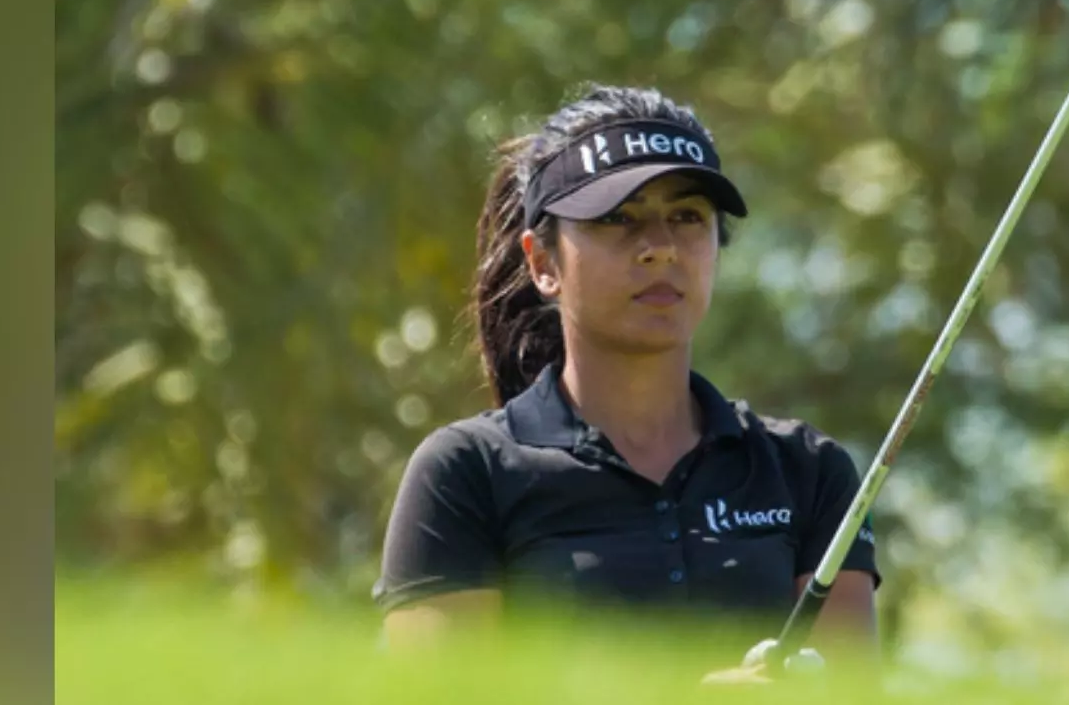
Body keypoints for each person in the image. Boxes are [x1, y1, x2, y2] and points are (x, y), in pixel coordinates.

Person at [372, 83, 880, 682]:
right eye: (618, 218)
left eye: (687, 217)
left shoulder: (808, 471)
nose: (660, 248)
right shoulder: (466, 472)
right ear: (543, 263)